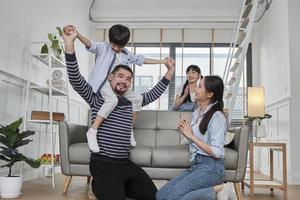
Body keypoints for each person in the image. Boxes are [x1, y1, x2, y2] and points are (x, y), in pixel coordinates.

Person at [63, 27, 175, 200]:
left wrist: (169, 71)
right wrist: (69, 44)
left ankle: (106, 186)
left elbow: (153, 93)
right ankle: (100, 184)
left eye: (128, 78)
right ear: (110, 77)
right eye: (120, 76)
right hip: (103, 164)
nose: (124, 80)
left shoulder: (131, 101)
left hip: (124, 163)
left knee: (155, 196)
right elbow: (75, 79)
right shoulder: (97, 98)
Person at [63, 24, 173, 152]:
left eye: (128, 78)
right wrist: (73, 39)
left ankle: (129, 130)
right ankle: (93, 130)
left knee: (137, 98)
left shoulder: (127, 55)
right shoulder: (103, 49)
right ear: (111, 76)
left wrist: (164, 63)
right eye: (113, 45)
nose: (115, 48)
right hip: (103, 86)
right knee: (112, 100)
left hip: (122, 156)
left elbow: (143, 61)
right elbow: (89, 45)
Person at [156, 75, 227, 200]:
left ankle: (219, 190)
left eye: (200, 86)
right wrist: (185, 131)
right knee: (160, 195)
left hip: (212, 167)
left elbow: (216, 152)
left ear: (209, 94)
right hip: (197, 165)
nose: (195, 89)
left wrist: (190, 135)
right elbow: (197, 141)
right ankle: (213, 191)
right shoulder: (197, 113)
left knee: (170, 198)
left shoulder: (217, 117)